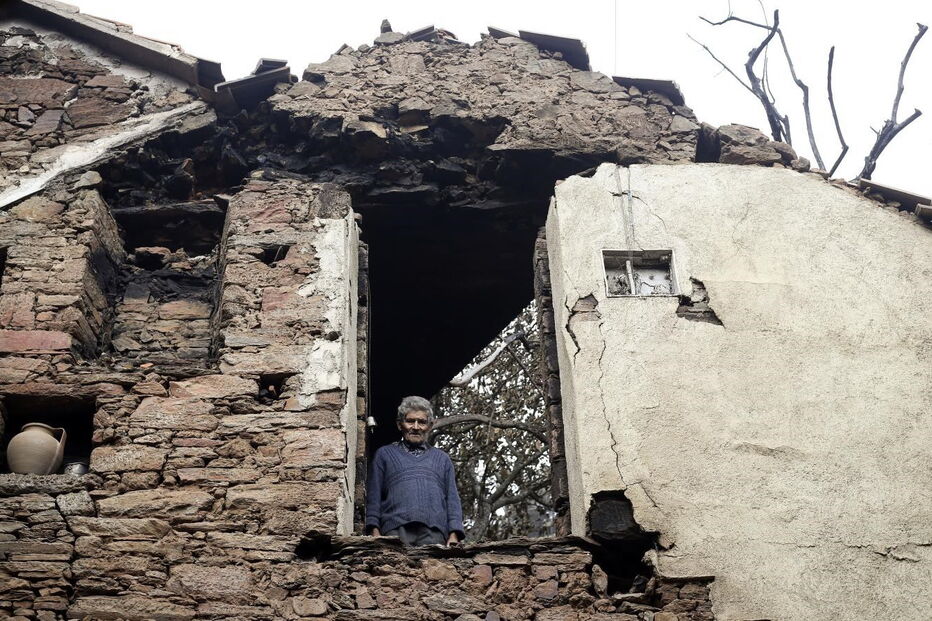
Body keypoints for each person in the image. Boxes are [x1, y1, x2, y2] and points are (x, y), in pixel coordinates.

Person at [365, 396, 465, 546]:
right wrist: (374, 530)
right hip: (394, 531)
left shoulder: (442, 459)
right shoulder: (384, 455)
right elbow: (374, 496)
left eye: (422, 422)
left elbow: (452, 500)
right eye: (410, 421)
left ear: (430, 426)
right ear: (400, 425)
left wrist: (454, 534)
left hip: (434, 533)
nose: (416, 427)